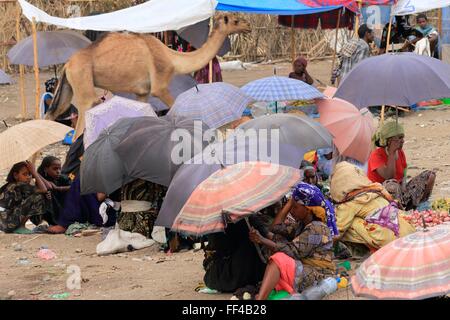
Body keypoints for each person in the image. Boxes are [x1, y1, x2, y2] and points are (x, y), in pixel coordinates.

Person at [248, 182, 337, 300]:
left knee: (278, 258)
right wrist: (291, 203)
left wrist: (262, 240)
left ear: (308, 209)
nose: (291, 211)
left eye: (295, 207)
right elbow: (275, 228)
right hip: (306, 270)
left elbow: (292, 251)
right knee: (278, 240)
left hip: (319, 275)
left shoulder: (317, 228)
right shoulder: (301, 224)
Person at [331, 161, 416, 252]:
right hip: (407, 232)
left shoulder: (349, 203)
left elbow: (337, 231)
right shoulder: (375, 188)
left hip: (389, 239)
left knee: (347, 224)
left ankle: (370, 249)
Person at [367, 121, 436, 210]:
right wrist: (391, 153)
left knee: (430, 175)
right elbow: (389, 176)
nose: (402, 141)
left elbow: (403, 175)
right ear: (389, 141)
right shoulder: (376, 155)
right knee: (392, 185)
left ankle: (419, 204)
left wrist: (405, 190)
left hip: (399, 193)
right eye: (399, 138)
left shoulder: (400, 152)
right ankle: (398, 210)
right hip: (381, 195)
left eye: (402, 138)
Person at [0, 161, 49, 234]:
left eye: (30, 174)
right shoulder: (18, 185)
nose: (28, 177)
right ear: (16, 175)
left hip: (4, 223)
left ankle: (40, 223)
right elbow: (44, 189)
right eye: (25, 174)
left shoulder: (13, 185)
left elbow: (46, 188)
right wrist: (34, 172)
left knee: (38, 197)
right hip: (8, 222)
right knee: (38, 197)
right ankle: (21, 226)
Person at [32, 156, 71, 226]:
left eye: (59, 168)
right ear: (46, 169)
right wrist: (36, 173)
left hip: (63, 207)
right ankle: (47, 221)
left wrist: (58, 188)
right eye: (55, 169)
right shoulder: (40, 180)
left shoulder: (63, 178)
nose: (58, 171)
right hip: (50, 210)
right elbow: (49, 187)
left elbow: (74, 187)